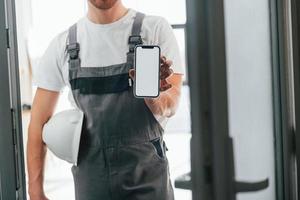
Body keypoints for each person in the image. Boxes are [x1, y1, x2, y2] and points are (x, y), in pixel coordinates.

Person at [27, 0, 184, 199]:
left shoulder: (154, 29)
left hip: (148, 179)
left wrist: (153, 98)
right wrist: (35, 191)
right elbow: (37, 123)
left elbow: (171, 104)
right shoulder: (64, 45)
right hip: (91, 184)